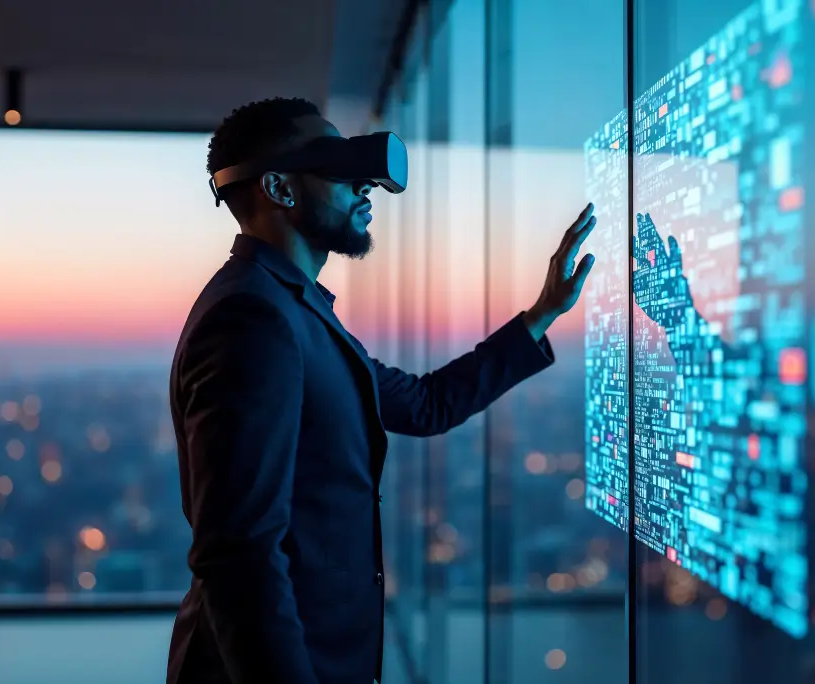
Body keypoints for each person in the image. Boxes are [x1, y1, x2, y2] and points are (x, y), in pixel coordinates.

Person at [166, 97, 597, 684]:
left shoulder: (292, 310)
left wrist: (541, 315)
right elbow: (239, 553)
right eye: (337, 164)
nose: (366, 185)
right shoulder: (252, 319)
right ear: (280, 188)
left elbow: (424, 404)